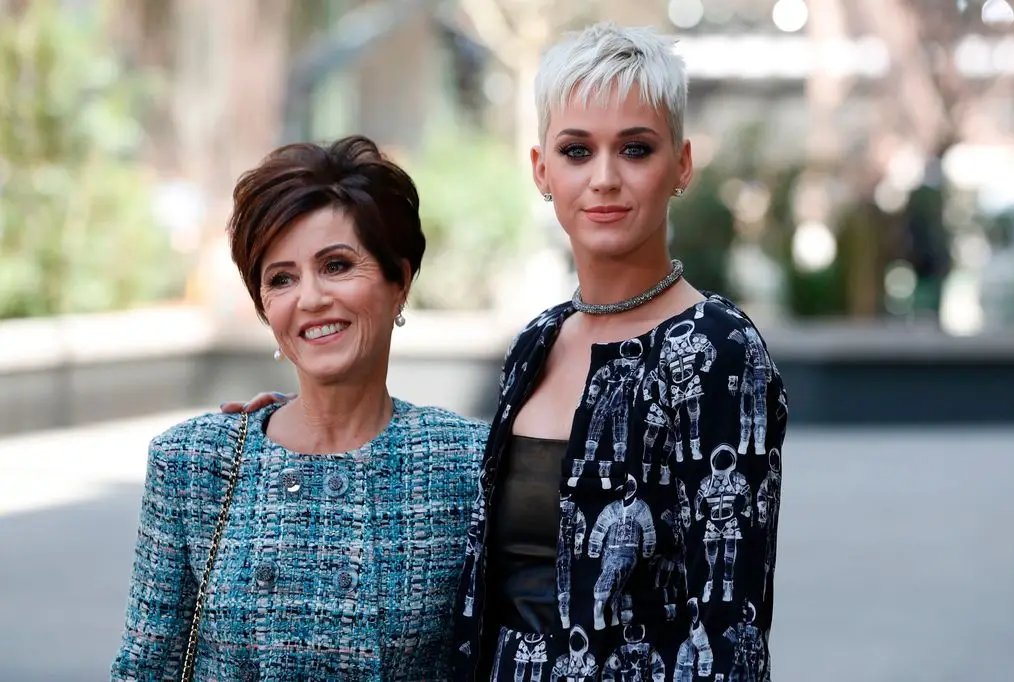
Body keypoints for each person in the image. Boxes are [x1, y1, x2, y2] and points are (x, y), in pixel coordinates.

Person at [229, 22, 787, 682]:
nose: (604, 178)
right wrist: (297, 425)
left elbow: (730, 628)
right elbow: (470, 488)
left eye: (635, 149)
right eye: (577, 151)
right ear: (542, 170)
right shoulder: (538, 340)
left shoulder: (720, 349)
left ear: (682, 165)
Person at [111, 135, 489, 681]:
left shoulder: (466, 463)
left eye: (336, 265)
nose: (309, 298)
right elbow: (146, 668)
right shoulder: (194, 462)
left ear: (399, 282)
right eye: (281, 279)